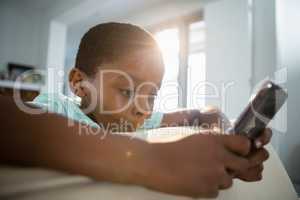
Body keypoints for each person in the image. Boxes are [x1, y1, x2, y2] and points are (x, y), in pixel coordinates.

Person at [0, 22, 272, 198]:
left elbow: (194, 115)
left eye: (152, 95)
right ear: (79, 84)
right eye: (127, 91)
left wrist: (220, 129)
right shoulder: (56, 108)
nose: (142, 108)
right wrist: (157, 160)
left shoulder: (139, 119)